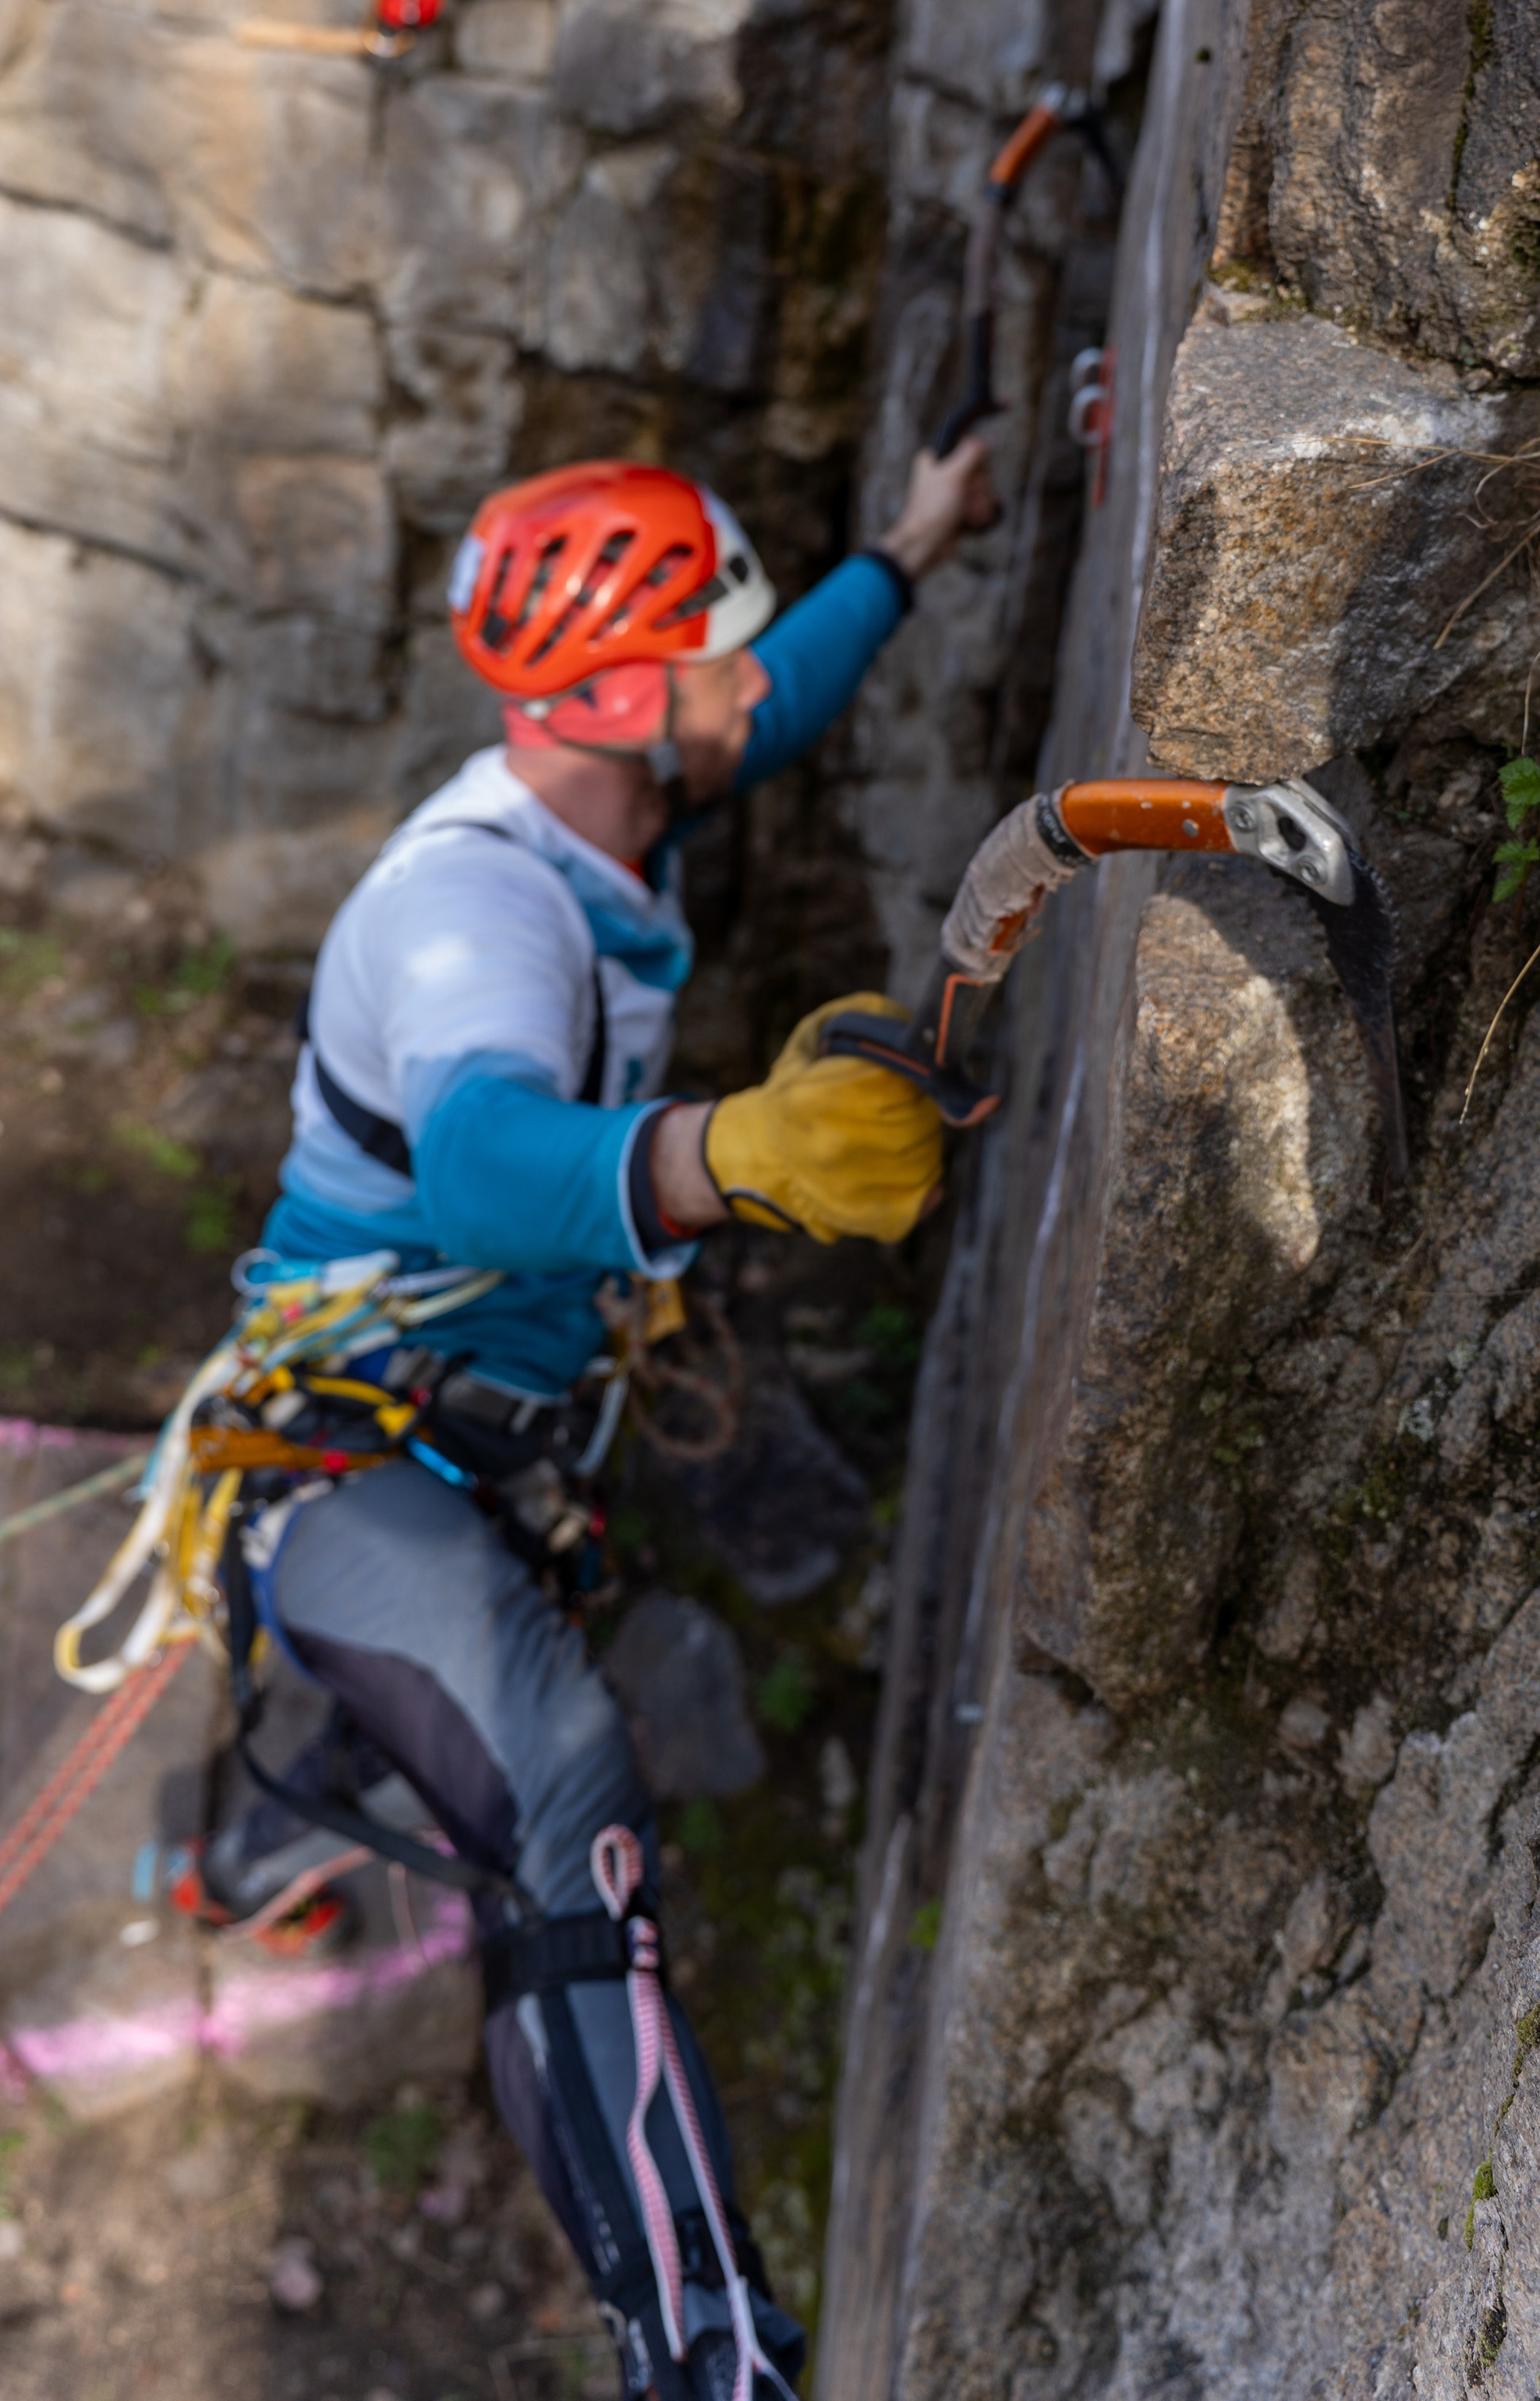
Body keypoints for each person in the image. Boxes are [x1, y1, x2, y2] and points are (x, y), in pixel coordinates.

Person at [193, 442, 991, 2401]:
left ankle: (231, 1870)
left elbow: (767, 703)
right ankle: (707, 2357)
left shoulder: (621, 796)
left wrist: (909, 541)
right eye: (710, 647)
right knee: (560, 1788)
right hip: (347, 1465)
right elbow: (476, 1164)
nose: (742, 678)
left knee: (411, 1714)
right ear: (630, 700)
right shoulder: (475, 915)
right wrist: (742, 1153)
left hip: (467, 1441)